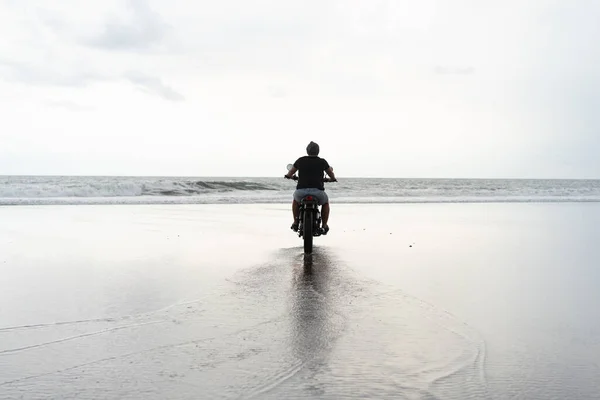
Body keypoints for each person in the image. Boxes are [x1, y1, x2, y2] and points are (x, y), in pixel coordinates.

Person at [284, 141, 336, 234]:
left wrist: (289, 176)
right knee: (325, 203)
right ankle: (324, 225)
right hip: (318, 192)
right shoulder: (322, 161)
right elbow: (331, 174)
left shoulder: (300, 160)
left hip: (301, 192)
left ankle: (295, 222)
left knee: (295, 200)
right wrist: (332, 179)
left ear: (307, 151)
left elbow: (290, 172)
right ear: (318, 151)